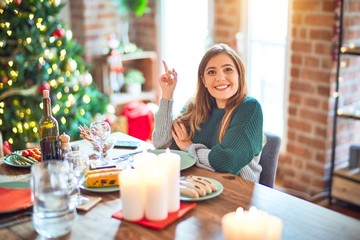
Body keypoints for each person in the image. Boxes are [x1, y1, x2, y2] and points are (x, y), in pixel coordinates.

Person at [152, 43, 264, 182]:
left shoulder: (250, 108)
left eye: (228, 69)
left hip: (236, 191)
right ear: (203, 80)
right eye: (211, 72)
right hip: (198, 183)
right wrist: (167, 94)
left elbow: (227, 163)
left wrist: (189, 147)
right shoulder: (195, 105)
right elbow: (162, 144)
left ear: (239, 75)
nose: (220, 78)